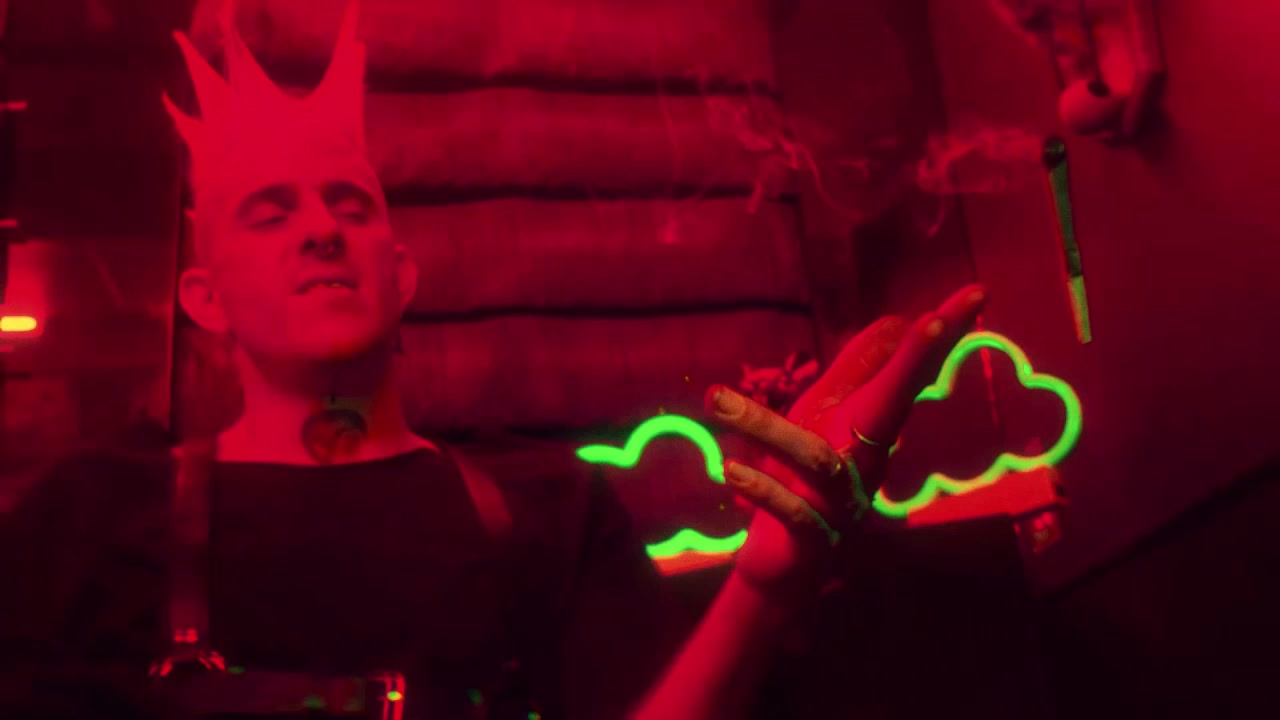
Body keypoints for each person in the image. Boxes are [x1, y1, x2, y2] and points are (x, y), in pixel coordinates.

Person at [0, 2, 987, 718]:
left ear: (401, 275)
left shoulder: (548, 512)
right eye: (270, 214)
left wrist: (765, 587)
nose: (321, 231)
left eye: (350, 206)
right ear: (203, 299)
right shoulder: (90, 517)